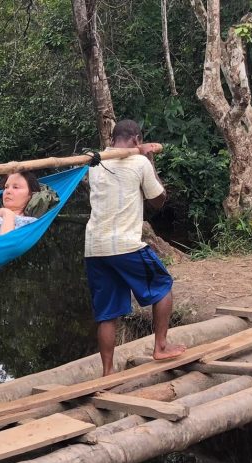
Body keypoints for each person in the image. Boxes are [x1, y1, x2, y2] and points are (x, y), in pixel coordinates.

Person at [85, 119, 186, 376]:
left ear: (111, 140)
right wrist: (149, 159)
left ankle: (108, 371)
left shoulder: (95, 163)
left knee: (107, 313)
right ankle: (160, 346)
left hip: (95, 247)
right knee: (163, 286)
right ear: (136, 140)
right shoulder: (140, 162)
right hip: (125, 245)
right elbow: (158, 201)